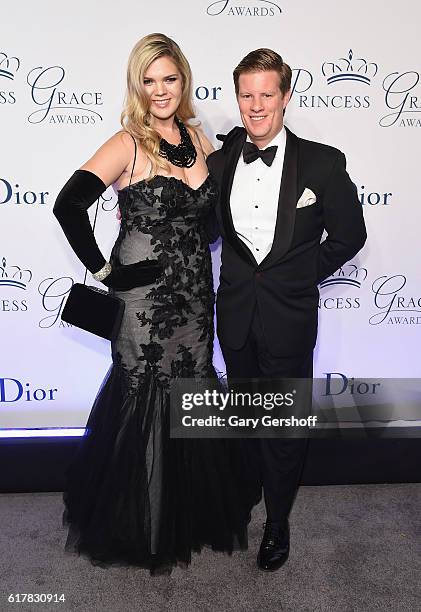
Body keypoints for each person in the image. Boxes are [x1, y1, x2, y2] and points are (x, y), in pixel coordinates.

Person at [53, 33, 258, 575]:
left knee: (192, 390)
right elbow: (67, 205)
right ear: (136, 86)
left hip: (195, 297)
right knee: (144, 395)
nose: (160, 90)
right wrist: (104, 271)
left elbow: (213, 223)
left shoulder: (200, 139)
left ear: (183, 80)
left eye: (169, 78)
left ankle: (187, 517)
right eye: (149, 80)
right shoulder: (127, 143)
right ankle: (143, 527)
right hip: (143, 303)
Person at [206, 48, 367, 572]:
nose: (255, 106)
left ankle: (278, 521)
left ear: (286, 97)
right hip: (235, 314)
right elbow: (209, 229)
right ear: (237, 98)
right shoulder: (224, 156)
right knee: (244, 416)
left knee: (285, 424)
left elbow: (350, 235)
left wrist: (301, 273)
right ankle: (246, 496)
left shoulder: (322, 161)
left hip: (289, 316)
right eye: (246, 95)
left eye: (266, 95)